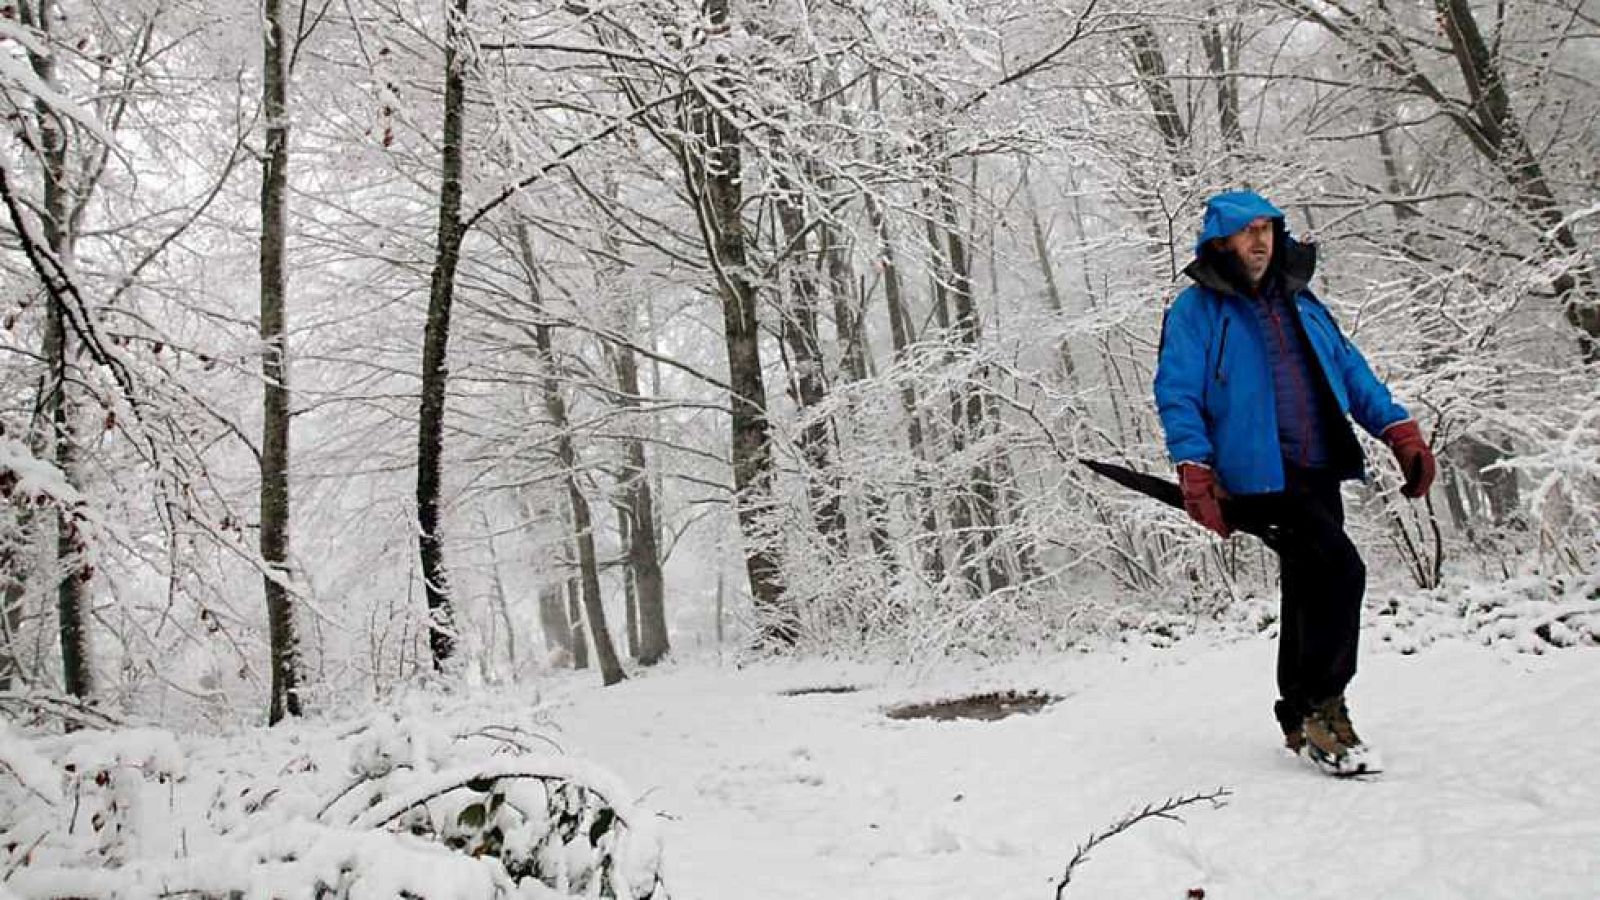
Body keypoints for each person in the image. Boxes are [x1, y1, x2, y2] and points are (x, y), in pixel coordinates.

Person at [1152, 190, 1436, 776]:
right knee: (1341, 570)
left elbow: (1351, 372)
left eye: (1267, 228)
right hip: (1259, 478)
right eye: (1245, 231)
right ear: (1220, 242)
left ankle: (1295, 712)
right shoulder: (1196, 312)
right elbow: (1177, 393)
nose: (1259, 240)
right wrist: (1195, 468)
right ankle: (1321, 703)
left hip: (1317, 466)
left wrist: (1399, 431)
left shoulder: (1302, 301)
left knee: (1308, 585)